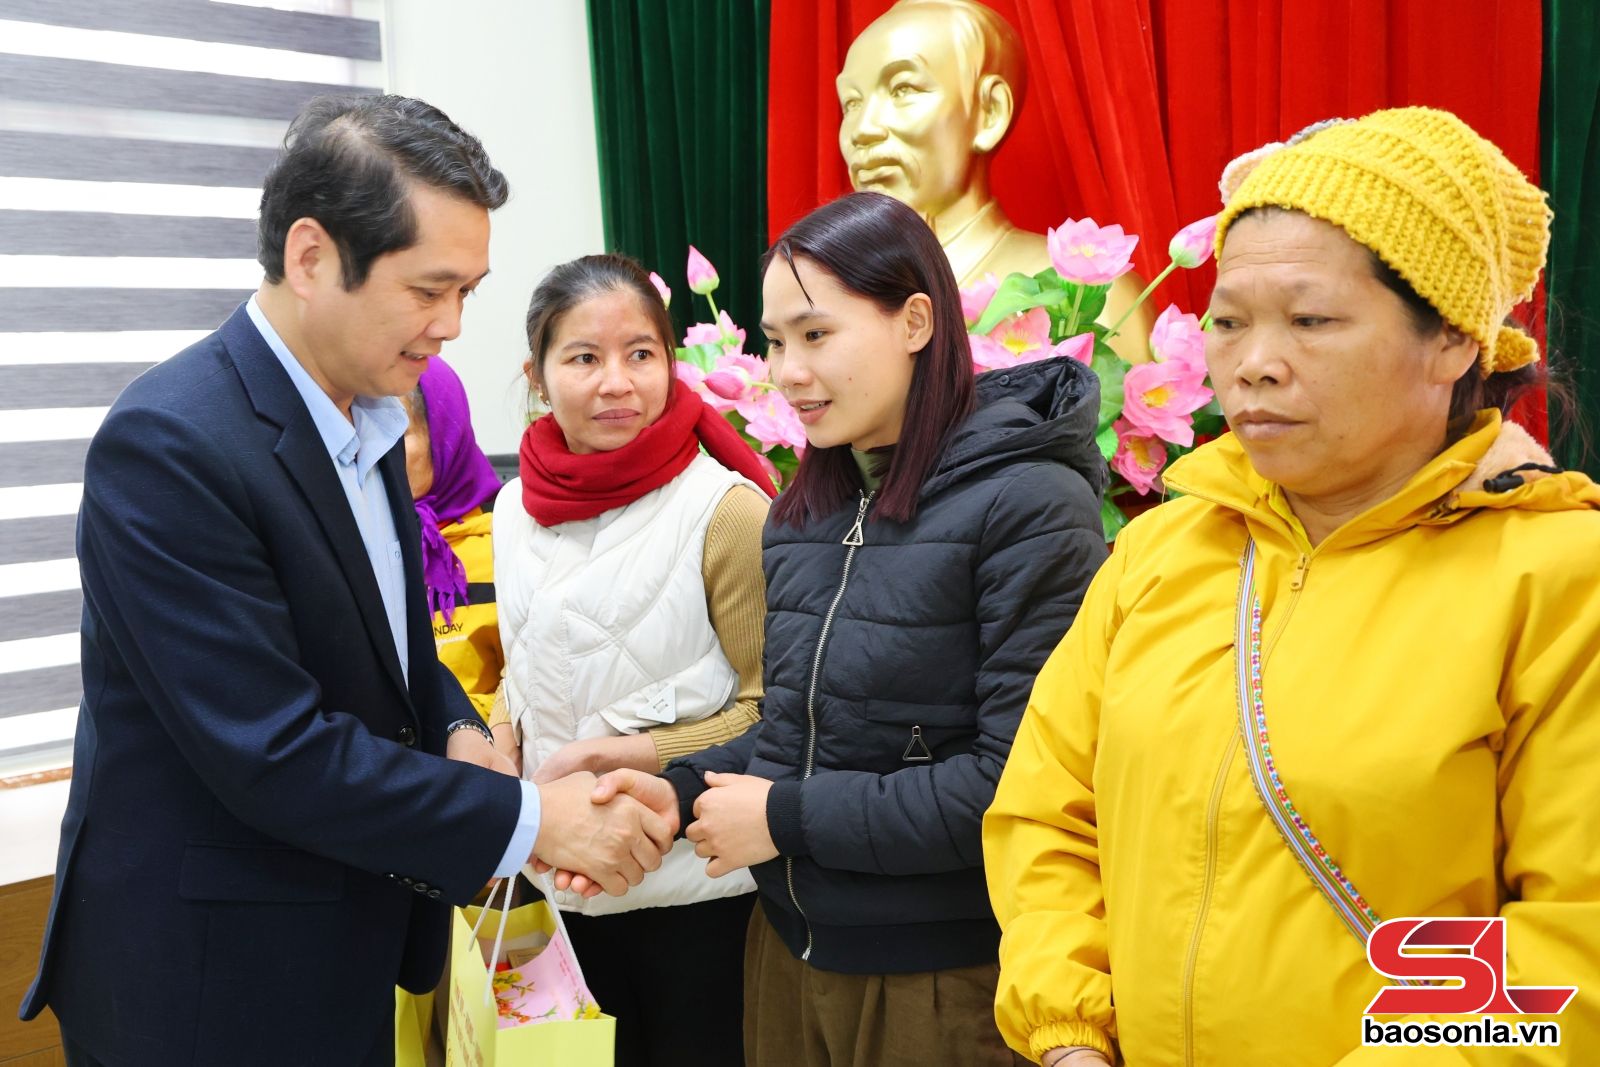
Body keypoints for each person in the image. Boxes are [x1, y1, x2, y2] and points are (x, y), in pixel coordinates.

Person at [19, 94, 670, 1067]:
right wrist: (533, 819)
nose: (452, 326)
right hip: (210, 983)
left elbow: (384, 647)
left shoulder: (368, 420)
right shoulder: (171, 443)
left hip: (340, 945)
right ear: (312, 256)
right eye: (428, 290)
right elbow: (271, 748)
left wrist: (456, 726)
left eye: (468, 291)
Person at [984, 107, 1600, 1066]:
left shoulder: (1559, 581)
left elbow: (1571, 942)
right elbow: (1048, 816)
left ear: (1451, 340)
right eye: (1229, 322)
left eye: (1311, 321)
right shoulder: (1161, 553)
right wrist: (1072, 1034)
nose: (1254, 364)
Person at [587, 190, 1110, 1066]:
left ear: (915, 322)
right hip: (790, 953)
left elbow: (1018, 785)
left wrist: (784, 817)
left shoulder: (1029, 503)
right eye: (774, 340)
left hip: (942, 976)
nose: (788, 371)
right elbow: (794, 730)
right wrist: (675, 793)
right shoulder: (808, 509)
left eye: (816, 334)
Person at [490, 253, 777, 1065]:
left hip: (698, 890)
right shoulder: (512, 507)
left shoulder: (726, 511)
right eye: (584, 357)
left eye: (640, 353)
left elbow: (775, 707)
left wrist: (629, 754)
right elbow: (523, 657)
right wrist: (502, 739)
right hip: (561, 886)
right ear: (538, 377)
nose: (616, 382)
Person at [836, 0, 1152, 361]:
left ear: (990, 113)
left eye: (903, 89)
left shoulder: (1088, 301)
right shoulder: (827, 294)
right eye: (852, 103)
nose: (862, 131)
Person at [401, 356, 504, 720]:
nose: (376, 449)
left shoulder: (505, 546)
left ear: (444, 435)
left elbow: (535, 690)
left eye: (398, 432)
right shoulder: (352, 545)